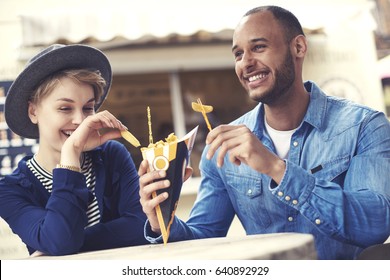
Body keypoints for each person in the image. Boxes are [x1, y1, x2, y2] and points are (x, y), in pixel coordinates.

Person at [138, 5, 390, 260]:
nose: (246, 63)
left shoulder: (364, 126)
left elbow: (375, 225)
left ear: (299, 48)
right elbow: (204, 238)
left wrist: (276, 168)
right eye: (238, 54)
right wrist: (163, 220)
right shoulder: (222, 150)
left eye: (259, 47)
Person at [0, 44, 148, 256]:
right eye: (65, 108)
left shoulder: (112, 155)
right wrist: (71, 156)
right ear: (33, 111)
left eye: (88, 108)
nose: (80, 120)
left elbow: (141, 225)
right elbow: (60, 242)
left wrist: (61, 245)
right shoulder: (10, 190)